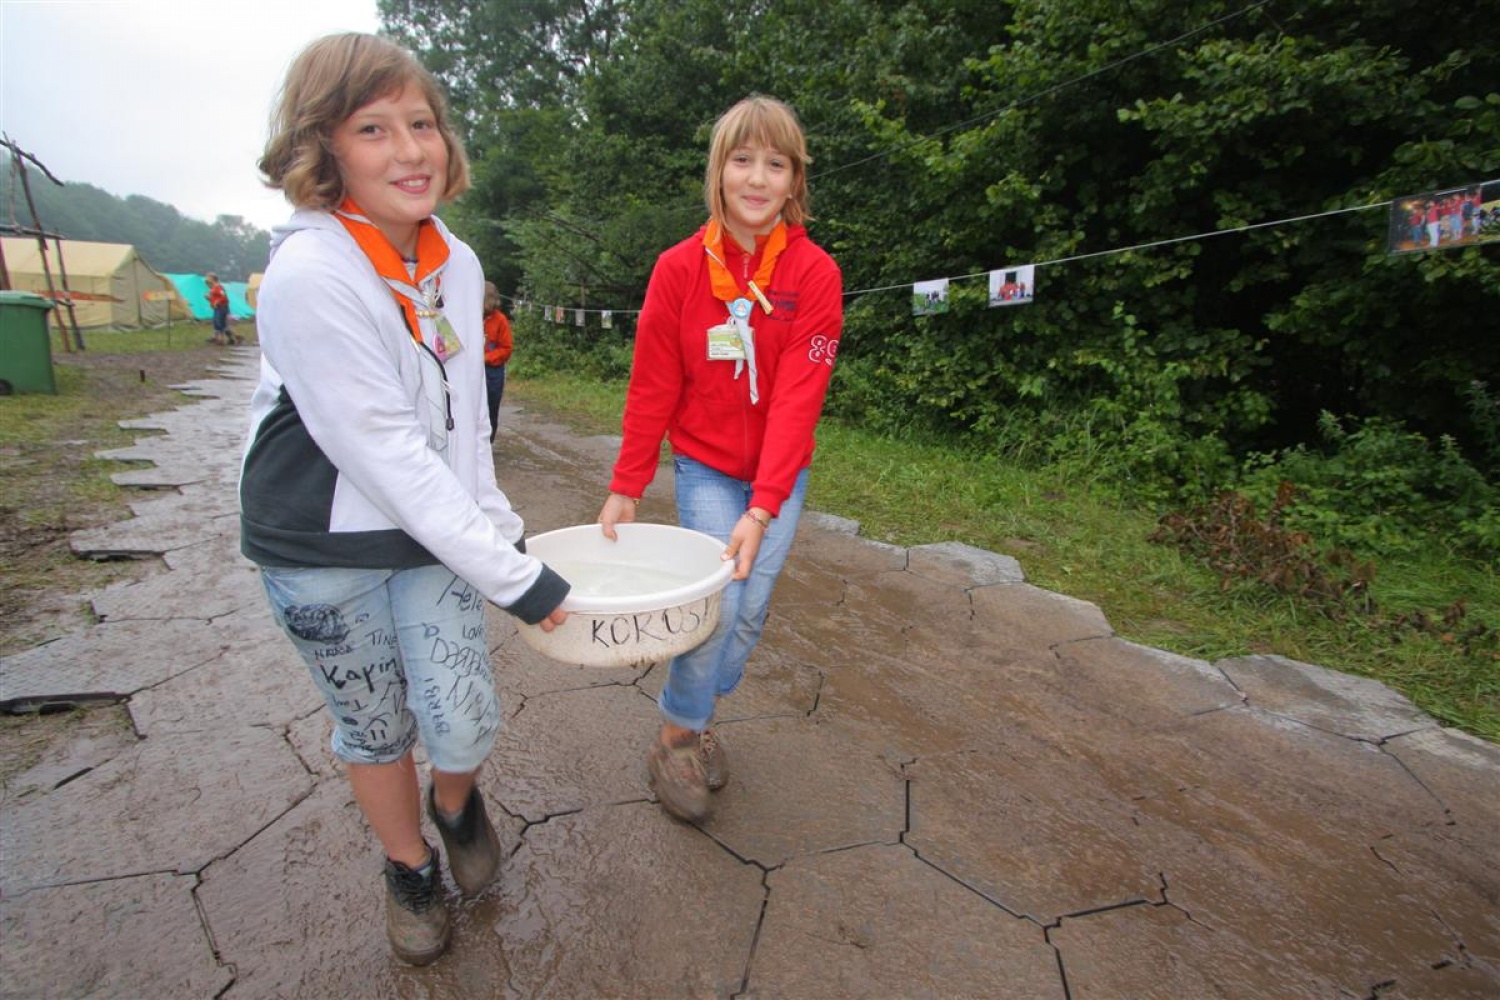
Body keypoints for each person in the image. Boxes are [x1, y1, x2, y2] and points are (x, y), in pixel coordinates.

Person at [241, 32, 569, 966]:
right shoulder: (310, 273)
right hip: (319, 546)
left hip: (427, 533)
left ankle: (455, 803)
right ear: (325, 147)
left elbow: (464, 426)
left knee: (462, 714)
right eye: (373, 128)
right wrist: (517, 579)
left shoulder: (454, 263)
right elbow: (383, 450)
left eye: (421, 123)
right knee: (375, 725)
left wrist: (502, 533)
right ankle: (408, 867)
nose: (410, 150)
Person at [596, 95, 843, 823]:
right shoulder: (678, 269)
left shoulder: (816, 274)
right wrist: (627, 484)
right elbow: (653, 385)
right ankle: (674, 739)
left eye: (776, 163)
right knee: (720, 599)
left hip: (780, 473)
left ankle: (700, 720)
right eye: (743, 160)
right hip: (704, 465)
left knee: (749, 612)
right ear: (719, 172)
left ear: (794, 180)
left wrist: (765, 505)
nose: (758, 177)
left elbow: (801, 397)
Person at [482, 281, 513, 441]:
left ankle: (489, 442)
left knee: (491, 408)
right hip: (473, 370)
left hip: (493, 372)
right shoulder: (470, 317)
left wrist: (487, 358)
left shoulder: (500, 320)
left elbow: (506, 349)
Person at [205, 272, 236, 345]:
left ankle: (224, 338)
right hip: (217, 308)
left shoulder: (219, 287)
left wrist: (217, 302)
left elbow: (223, 297)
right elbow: (214, 298)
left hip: (222, 307)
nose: (207, 280)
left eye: (208, 278)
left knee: (219, 323)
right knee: (217, 323)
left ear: (213, 279)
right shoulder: (213, 288)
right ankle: (223, 338)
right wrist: (209, 298)